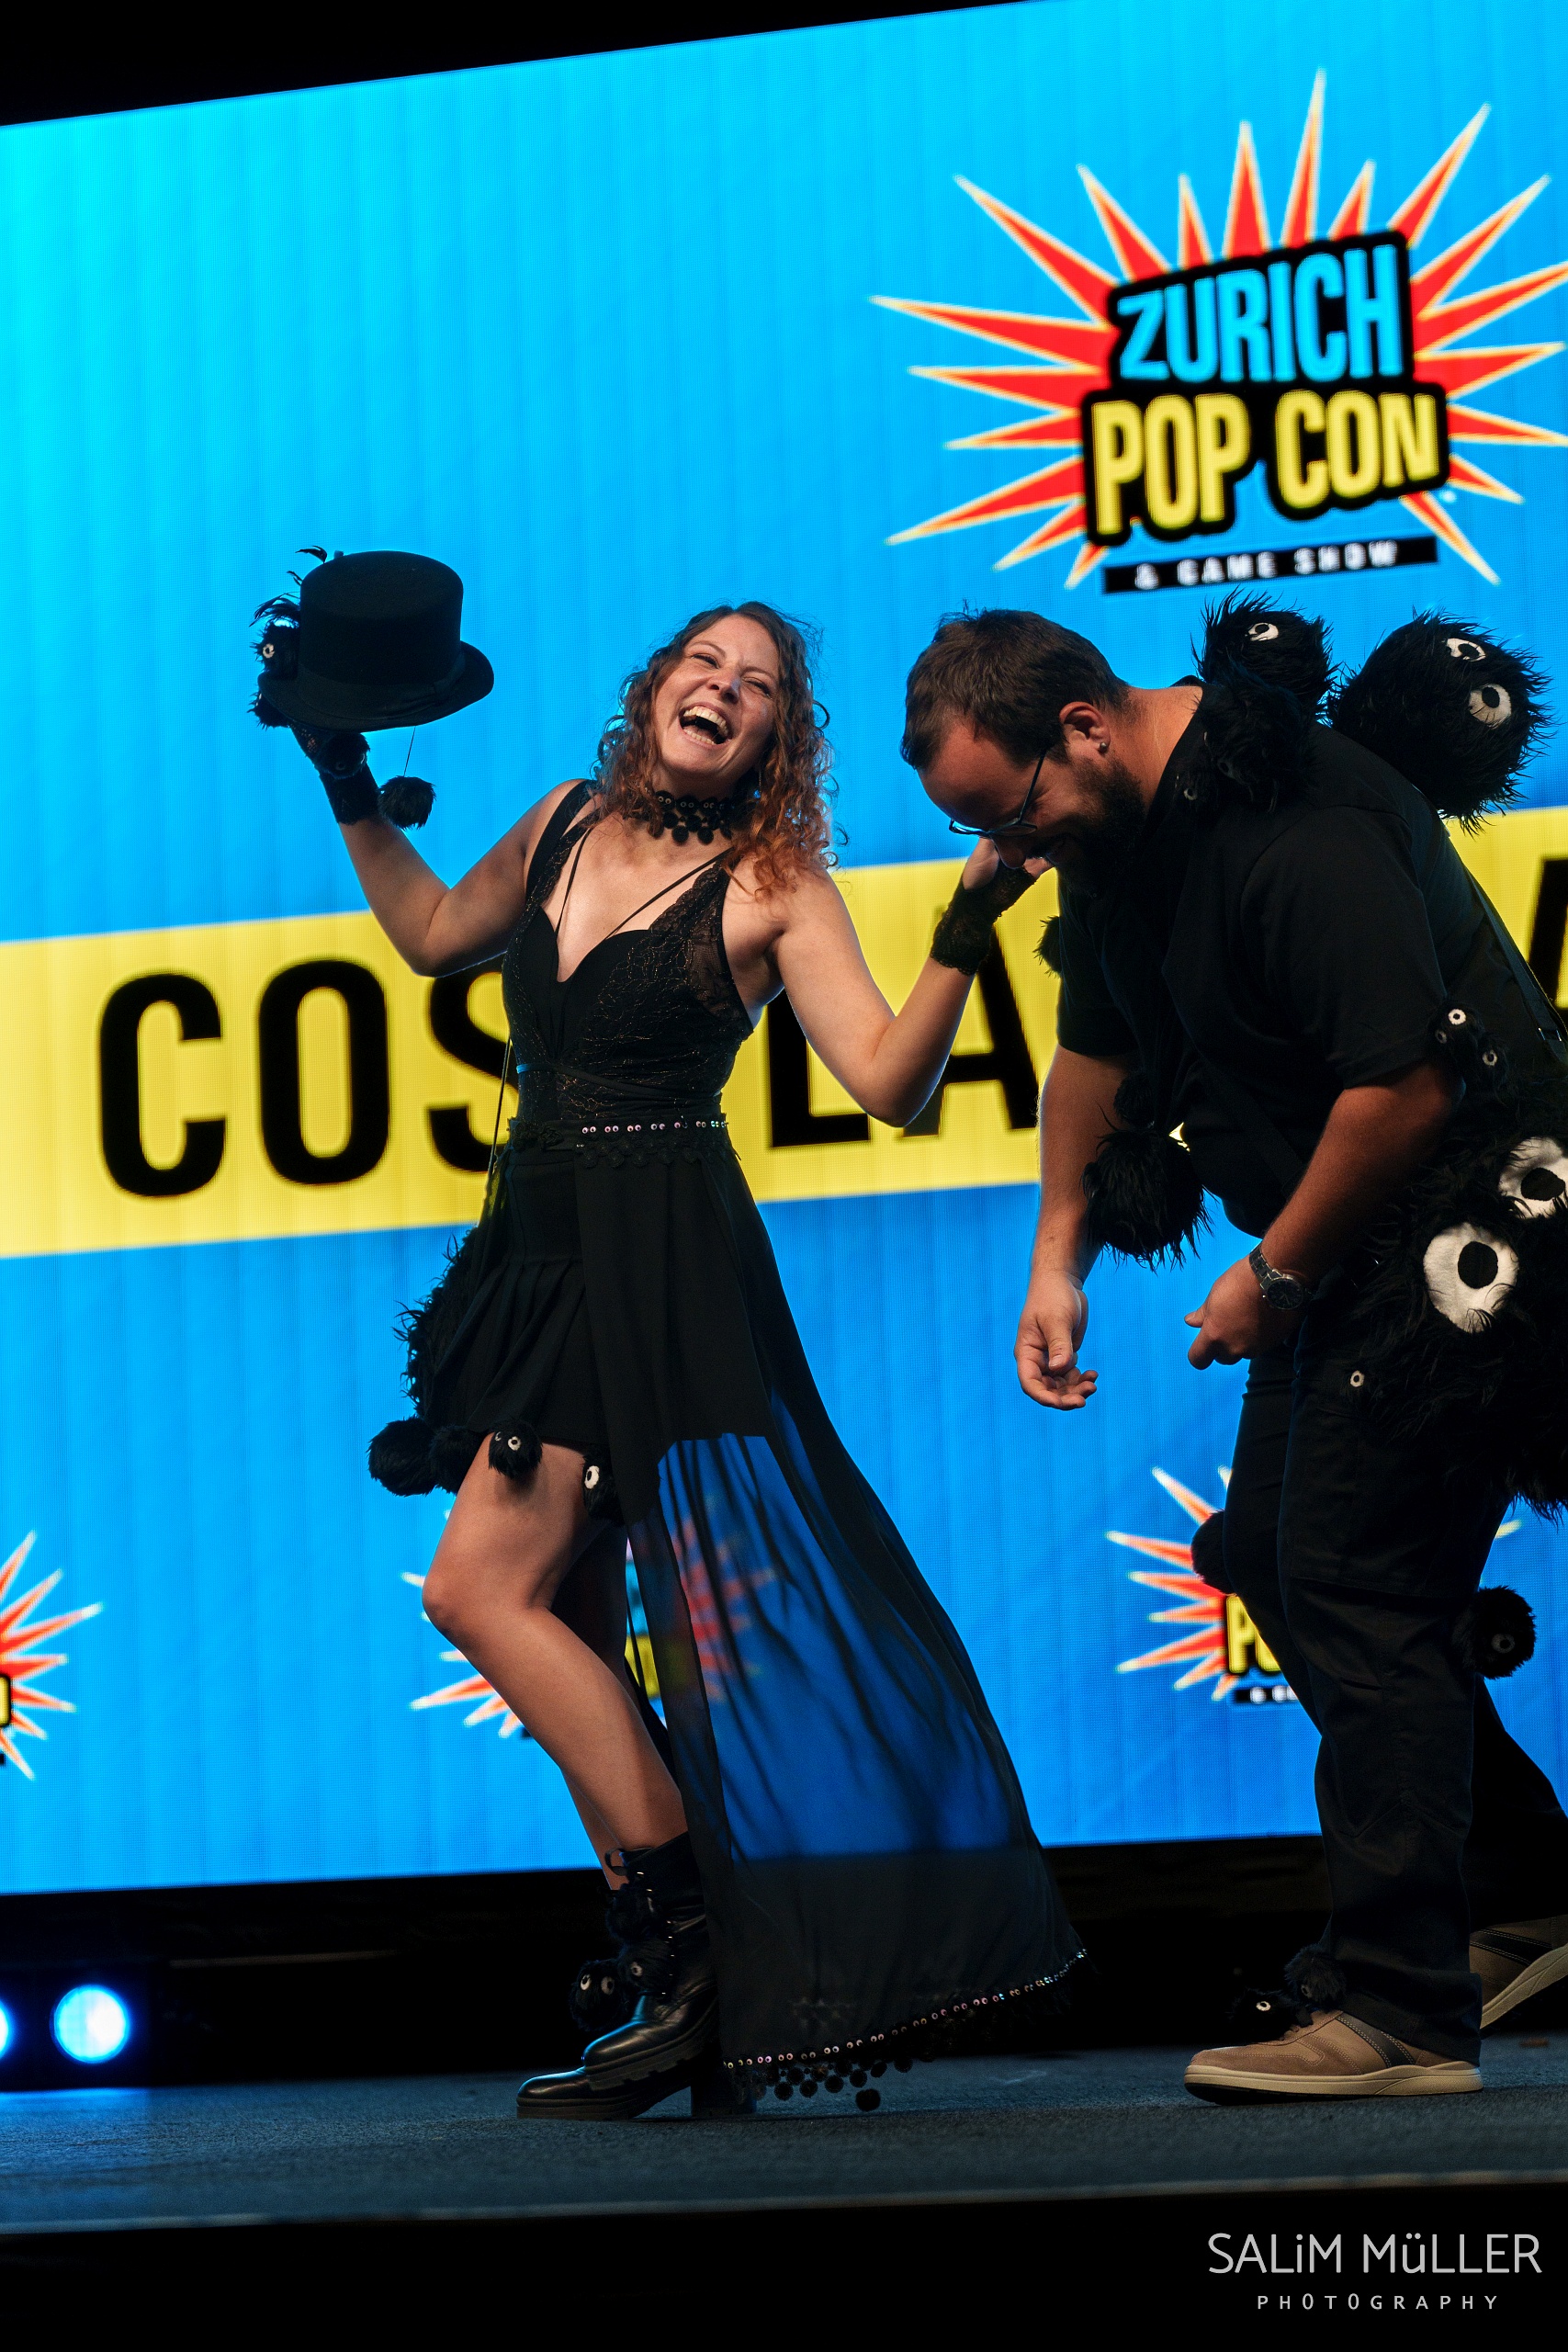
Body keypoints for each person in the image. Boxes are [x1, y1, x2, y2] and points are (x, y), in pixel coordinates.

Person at [290, 600, 1080, 2119]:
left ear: (779, 737)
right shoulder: (562, 822)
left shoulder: (776, 882)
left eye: (759, 686)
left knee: (477, 1592)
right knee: (572, 1618)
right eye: (704, 664)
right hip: (534, 1250)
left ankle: (705, 1946)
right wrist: (344, 781)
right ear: (655, 687)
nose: (724, 689)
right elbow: (433, 937)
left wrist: (965, 932)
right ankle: (677, 1987)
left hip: (658, 1265)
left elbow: (891, 1084)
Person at [907, 603, 1568, 2102]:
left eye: (1009, 814)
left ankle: (1402, 2014)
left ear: (1084, 730)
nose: (1009, 853)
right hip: (1351, 1241)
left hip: (1479, 1232)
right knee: (1274, 1551)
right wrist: (1059, 1256)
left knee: (1354, 1579)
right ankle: (1527, 1892)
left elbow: (1403, 1093)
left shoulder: (1299, 821)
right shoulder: (1115, 838)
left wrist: (1271, 1273)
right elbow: (1098, 1046)